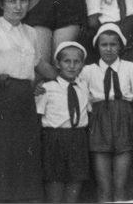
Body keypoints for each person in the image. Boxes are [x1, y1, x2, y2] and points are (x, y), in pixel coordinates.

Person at [0, 0, 56, 203]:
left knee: (24, 149)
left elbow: (39, 65)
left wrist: (59, 77)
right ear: (2, 3)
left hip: (23, 97)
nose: (18, 6)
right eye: (12, 1)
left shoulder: (31, 32)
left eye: (23, 1)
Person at [80, 23, 133, 203]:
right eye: (104, 44)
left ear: (120, 46)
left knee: (120, 185)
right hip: (99, 123)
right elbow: (83, 99)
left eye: (113, 44)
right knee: (104, 185)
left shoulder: (130, 67)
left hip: (124, 121)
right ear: (97, 46)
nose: (108, 49)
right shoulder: (88, 70)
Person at [37, 41, 92, 204]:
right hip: (54, 140)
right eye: (67, 61)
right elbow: (37, 117)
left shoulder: (84, 87)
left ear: (82, 64)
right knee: (55, 187)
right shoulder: (46, 88)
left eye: (77, 62)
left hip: (78, 139)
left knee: (75, 185)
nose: (72, 66)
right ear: (58, 64)